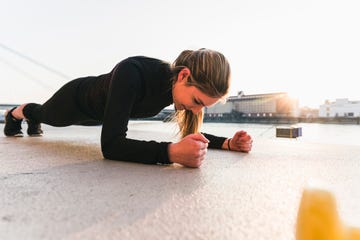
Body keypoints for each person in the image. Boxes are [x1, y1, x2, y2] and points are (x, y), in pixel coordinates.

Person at [3, 48, 253, 167]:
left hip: (99, 115)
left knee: (44, 116)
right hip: (76, 101)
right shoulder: (133, 72)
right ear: (184, 76)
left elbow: (189, 135)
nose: (196, 111)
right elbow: (111, 146)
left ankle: (30, 118)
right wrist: (171, 154)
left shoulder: (177, 91)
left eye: (204, 107)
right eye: (198, 102)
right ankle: (14, 114)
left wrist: (228, 143)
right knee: (44, 114)